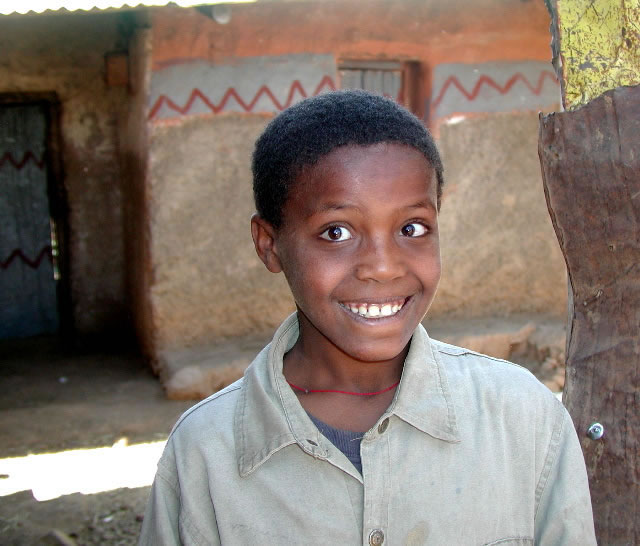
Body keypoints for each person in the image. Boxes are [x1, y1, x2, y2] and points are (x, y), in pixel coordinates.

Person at [139, 90, 596, 545]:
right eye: (336, 232)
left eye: (411, 228)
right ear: (269, 244)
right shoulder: (204, 453)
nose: (383, 266)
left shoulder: (523, 419)